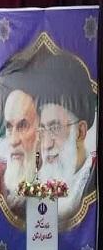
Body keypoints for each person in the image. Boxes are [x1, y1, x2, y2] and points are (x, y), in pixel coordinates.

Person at [32, 52, 97, 230]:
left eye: (55, 128)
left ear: (80, 132)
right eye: (43, 130)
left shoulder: (93, 183)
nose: (46, 145)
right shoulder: (39, 182)